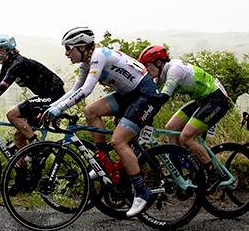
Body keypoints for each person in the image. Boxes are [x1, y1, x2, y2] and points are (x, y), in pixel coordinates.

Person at [43, 27, 165, 218]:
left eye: (68, 49)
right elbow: (75, 89)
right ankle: (102, 161)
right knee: (91, 111)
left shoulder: (98, 56)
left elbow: (87, 90)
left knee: (118, 142)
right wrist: (52, 107)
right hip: (129, 95)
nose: (66, 53)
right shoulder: (86, 62)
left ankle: (142, 192)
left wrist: (60, 109)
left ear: (82, 47)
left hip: (145, 95)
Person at [138, 45, 230, 184]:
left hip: (216, 99)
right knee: (171, 127)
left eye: (147, 66)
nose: (146, 70)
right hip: (202, 99)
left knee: (186, 137)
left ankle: (213, 174)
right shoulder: (161, 72)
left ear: (158, 63)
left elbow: (162, 98)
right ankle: (177, 172)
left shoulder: (175, 70)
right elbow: (150, 95)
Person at [0, 34, 65, 151]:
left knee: (12, 114)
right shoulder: (7, 65)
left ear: (2, 50)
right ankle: (25, 167)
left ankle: (39, 149)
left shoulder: (17, 64)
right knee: (18, 136)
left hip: (54, 95)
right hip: (45, 95)